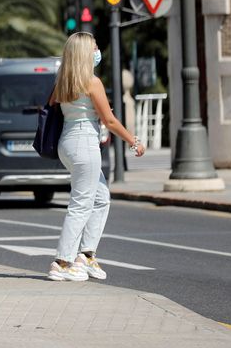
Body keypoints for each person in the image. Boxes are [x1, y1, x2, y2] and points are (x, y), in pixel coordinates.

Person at [48, 32, 146, 281]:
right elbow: (109, 120)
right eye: (94, 47)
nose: (97, 51)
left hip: (67, 142)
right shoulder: (92, 82)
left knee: (101, 198)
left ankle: (86, 255)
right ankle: (62, 262)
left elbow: (52, 105)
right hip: (83, 143)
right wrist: (133, 140)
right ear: (84, 54)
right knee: (81, 204)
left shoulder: (63, 81)